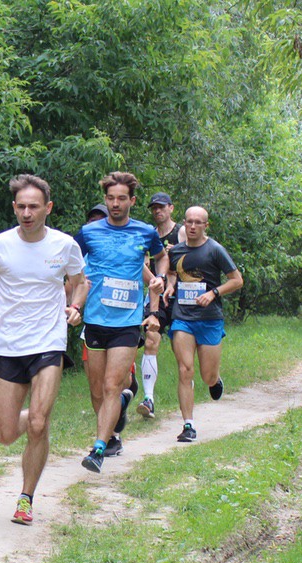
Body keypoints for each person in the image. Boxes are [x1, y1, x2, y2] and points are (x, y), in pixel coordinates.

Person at [0, 174, 87, 525]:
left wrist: (75, 307)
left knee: (37, 422)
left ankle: (26, 498)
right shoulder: (0, 244)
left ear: (48, 208)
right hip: (10, 343)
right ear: (14, 208)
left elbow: (80, 282)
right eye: (21, 207)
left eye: (34, 206)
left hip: (48, 341)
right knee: (5, 433)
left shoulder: (64, 245)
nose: (27, 213)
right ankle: (37, 419)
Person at [75, 171, 167, 472]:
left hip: (127, 323)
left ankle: (99, 448)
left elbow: (161, 257)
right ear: (105, 199)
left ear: (132, 201)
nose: (116, 204)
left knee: (112, 385)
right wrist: (73, 301)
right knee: (97, 391)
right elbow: (72, 266)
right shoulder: (88, 233)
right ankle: (113, 424)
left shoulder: (145, 232)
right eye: (111, 198)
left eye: (122, 199)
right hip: (95, 321)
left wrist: (159, 278)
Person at [163, 206, 243, 442]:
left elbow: (237, 280)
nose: (192, 226)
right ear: (184, 223)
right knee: (185, 370)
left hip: (209, 318)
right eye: (189, 221)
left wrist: (213, 293)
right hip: (183, 317)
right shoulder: (176, 250)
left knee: (207, 376)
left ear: (206, 226)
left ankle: (215, 380)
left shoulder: (215, 249)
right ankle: (188, 425)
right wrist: (170, 287)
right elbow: (171, 273)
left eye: (198, 222)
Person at [136, 192, 180, 419]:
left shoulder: (182, 231)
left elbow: (198, 258)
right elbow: (143, 265)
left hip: (182, 296)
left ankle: (205, 379)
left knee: (183, 347)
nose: (157, 211)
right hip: (156, 295)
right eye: (154, 208)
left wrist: (178, 253)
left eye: (161, 207)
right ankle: (149, 399)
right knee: (151, 338)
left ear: (171, 208)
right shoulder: (150, 235)